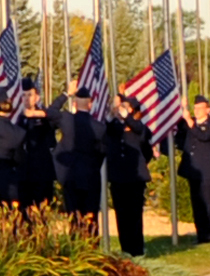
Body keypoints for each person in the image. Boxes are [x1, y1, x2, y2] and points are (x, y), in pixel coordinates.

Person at [104, 92, 155, 256]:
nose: (120, 109)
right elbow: (104, 129)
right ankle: (126, 248)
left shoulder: (137, 125)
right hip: (118, 177)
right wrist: (112, 116)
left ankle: (137, 248)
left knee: (135, 214)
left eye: (124, 107)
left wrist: (128, 118)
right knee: (121, 214)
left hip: (135, 178)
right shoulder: (114, 127)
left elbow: (143, 135)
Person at [52, 88, 106, 235]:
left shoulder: (66, 119)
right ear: (90, 105)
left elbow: (51, 111)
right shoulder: (99, 127)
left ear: (74, 104)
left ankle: (75, 246)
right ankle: (91, 248)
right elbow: (102, 151)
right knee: (91, 217)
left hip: (70, 175)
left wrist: (65, 94)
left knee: (73, 216)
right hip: (90, 176)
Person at [176, 95, 210, 243]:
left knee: (209, 203)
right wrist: (183, 108)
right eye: (195, 108)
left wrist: (190, 122)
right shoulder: (189, 124)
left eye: (200, 108)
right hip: (194, 170)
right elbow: (179, 130)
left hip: (208, 170)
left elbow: (204, 136)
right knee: (197, 203)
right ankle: (201, 234)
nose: (196, 111)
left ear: (208, 110)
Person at [15, 76, 57, 208]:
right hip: (22, 174)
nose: (26, 98)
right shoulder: (16, 118)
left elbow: (55, 116)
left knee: (42, 212)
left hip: (41, 173)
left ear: (36, 97)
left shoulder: (44, 117)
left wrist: (37, 114)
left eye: (30, 95)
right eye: (23, 95)